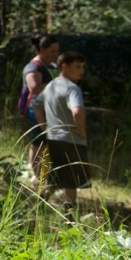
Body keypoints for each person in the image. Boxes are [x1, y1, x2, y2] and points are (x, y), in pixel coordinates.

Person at [31, 51, 90, 207]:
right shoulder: (73, 89)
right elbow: (77, 111)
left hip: (53, 139)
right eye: (77, 66)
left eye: (83, 67)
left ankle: (37, 206)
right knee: (71, 181)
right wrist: (82, 132)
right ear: (64, 66)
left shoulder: (51, 85)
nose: (81, 71)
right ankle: (69, 218)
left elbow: (35, 105)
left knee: (56, 177)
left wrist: (44, 127)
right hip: (71, 140)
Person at [19, 34, 59, 180]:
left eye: (56, 51)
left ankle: (45, 177)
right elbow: (34, 88)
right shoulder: (33, 67)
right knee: (39, 143)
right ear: (42, 49)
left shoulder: (51, 66)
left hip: (51, 110)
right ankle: (37, 178)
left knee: (48, 144)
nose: (55, 55)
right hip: (36, 110)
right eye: (52, 51)